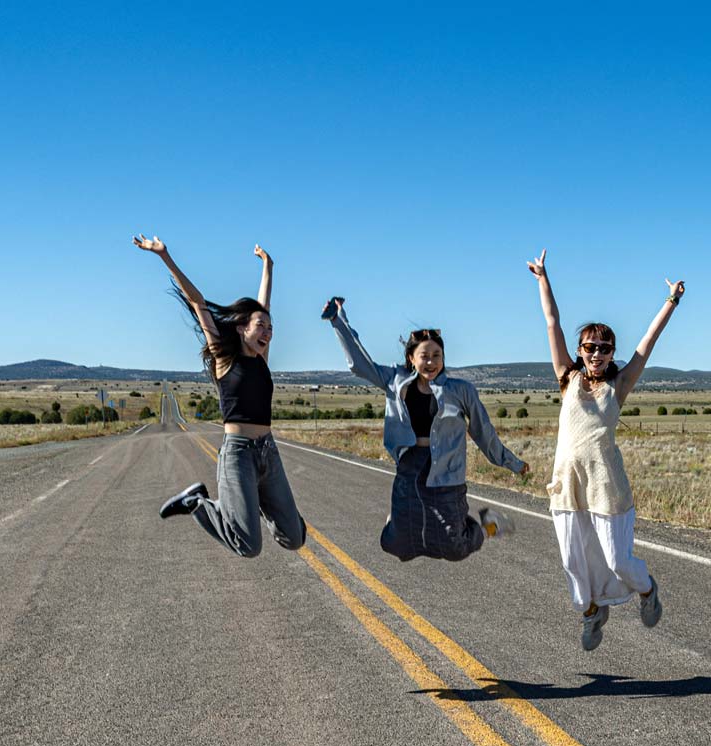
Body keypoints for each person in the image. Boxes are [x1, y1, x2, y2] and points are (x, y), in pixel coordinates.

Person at [526, 250, 682, 650]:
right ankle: (593, 613)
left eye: (604, 348)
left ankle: (647, 590)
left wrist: (671, 301)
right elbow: (552, 323)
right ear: (580, 351)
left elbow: (647, 344)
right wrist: (543, 277)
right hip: (568, 483)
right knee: (572, 563)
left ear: (613, 352)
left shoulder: (620, 384)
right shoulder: (567, 378)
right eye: (590, 347)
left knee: (617, 559)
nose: (596, 354)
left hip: (605, 483)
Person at [321, 297, 531, 562]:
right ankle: (394, 523)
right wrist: (338, 321)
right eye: (424, 356)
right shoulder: (395, 381)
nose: (431, 362)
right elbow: (359, 365)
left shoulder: (460, 390)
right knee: (396, 545)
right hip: (409, 468)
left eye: (436, 355)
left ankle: (487, 525)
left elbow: (483, 432)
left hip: (446, 472)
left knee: (453, 548)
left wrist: (513, 463)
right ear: (411, 358)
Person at [135, 235, 306, 557]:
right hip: (238, 453)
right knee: (248, 546)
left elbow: (264, 305)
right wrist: (164, 256)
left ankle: (251, 506)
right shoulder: (223, 357)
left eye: (271, 328)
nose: (268, 332)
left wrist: (269, 267)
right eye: (261, 326)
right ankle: (197, 503)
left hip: (268, 451)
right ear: (242, 327)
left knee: (294, 539)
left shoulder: (262, 360)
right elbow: (198, 302)